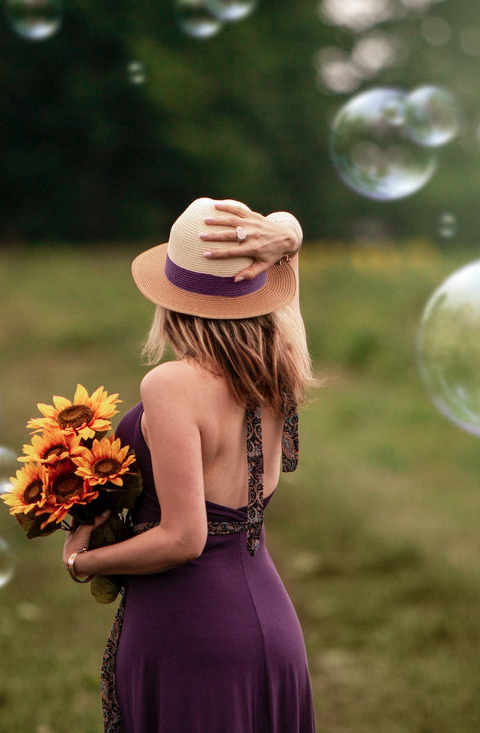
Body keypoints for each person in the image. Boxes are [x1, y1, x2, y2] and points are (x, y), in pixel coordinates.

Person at [62, 197, 318, 732]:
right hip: (271, 623)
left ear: (172, 297)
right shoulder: (282, 363)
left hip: (190, 630)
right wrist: (284, 237)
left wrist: (82, 561)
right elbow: (291, 253)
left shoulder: (171, 384)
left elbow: (184, 539)